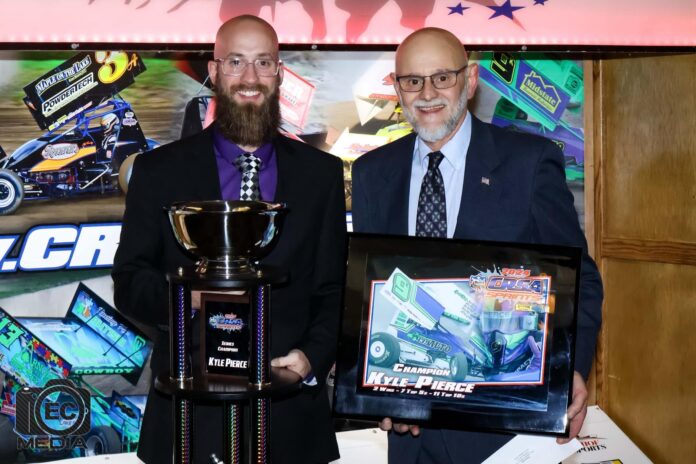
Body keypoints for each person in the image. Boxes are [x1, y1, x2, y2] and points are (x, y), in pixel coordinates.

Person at [351, 27, 603, 464]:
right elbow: (369, 293)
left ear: (469, 81)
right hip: (410, 434)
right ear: (397, 88)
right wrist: (378, 390)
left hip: (503, 428)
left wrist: (571, 369)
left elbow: (581, 279)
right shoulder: (373, 172)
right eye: (412, 81)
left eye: (442, 78)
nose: (427, 93)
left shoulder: (529, 161)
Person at [112, 15, 345, 464]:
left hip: (290, 414)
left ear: (279, 73)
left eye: (263, 63)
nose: (250, 78)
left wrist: (310, 357)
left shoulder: (322, 176)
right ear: (215, 72)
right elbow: (129, 281)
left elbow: (333, 287)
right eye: (235, 62)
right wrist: (191, 299)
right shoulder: (159, 172)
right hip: (187, 417)